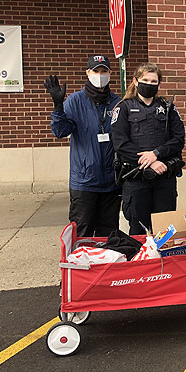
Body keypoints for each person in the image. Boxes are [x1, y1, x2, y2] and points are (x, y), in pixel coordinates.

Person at [44, 54, 121, 237]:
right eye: (96, 71)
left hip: (111, 182)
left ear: (110, 74)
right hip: (85, 182)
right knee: (82, 233)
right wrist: (57, 107)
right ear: (88, 73)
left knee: (108, 235)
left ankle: (105, 266)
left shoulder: (117, 102)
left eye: (104, 71)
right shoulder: (75, 101)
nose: (100, 75)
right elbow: (60, 132)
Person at [111, 63, 185, 235]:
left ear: (159, 84)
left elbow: (178, 139)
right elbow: (120, 143)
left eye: (154, 81)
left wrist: (156, 154)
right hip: (136, 178)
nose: (149, 84)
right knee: (138, 231)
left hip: (164, 177)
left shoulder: (168, 108)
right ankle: (141, 262)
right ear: (136, 81)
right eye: (145, 80)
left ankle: (163, 263)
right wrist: (150, 162)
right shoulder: (123, 108)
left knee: (166, 231)